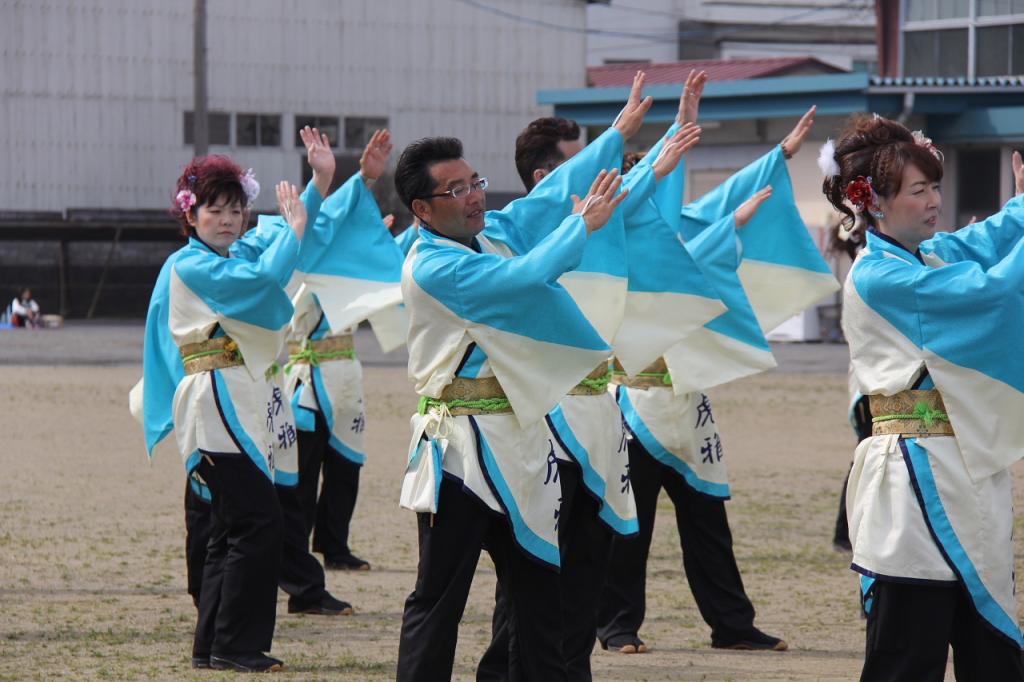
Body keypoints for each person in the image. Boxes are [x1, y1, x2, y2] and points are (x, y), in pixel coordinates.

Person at [477, 72, 704, 682]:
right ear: (546, 179)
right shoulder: (512, 230)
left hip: (599, 410)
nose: (601, 176)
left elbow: (630, 191)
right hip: (546, 413)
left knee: (587, 553)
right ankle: (509, 669)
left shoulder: (596, 223)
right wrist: (621, 136)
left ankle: (569, 667)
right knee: (534, 558)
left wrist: (667, 141)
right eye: (584, 165)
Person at [599, 72, 834, 655]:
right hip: (633, 402)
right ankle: (617, 623)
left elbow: (720, 205)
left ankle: (732, 624)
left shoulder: (676, 234)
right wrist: (729, 223)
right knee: (631, 525)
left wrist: (778, 155)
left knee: (709, 523)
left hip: (688, 397)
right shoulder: (610, 243)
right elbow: (710, 232)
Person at [393, 134, 628, 682]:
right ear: (423, 209)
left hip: (517, 442)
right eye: (457, 189)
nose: (476, 196)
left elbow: (546, 199)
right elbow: (523, 278)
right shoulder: (432, 265)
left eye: (475, 182)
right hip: (458, 450)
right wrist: (582, 226)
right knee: (440, 596)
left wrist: (619, 137)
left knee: (539, 592)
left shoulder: (488, 235)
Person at [826, 114, 1024, 681]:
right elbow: (990, 292)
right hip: (911, 483)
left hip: (966, 471)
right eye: (920, 190)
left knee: (993, 646)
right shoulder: (879, 275)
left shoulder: (925, 256)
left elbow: (983, 241)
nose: (935, 200)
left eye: (936, 186)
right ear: (874, 201)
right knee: (909, 651)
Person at [131, 149, 323, 672]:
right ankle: (235, 644)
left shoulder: (225, 257)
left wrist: (318, 182)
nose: (228, 219)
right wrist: (298, 229)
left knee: (231, 528)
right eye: (214, 209)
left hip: (236, 398)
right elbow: (265, 281)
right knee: (257, 523)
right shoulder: (193, 264)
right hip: (217, 400)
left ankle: (212, 643)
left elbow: (277, 243)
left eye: (236, 210)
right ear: (189, 215)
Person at [284, 129, 405, 572]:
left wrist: (381, 242)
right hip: (307, 378)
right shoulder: (296, 257)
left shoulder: (345, 264)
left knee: (346, 466)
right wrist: (360, 180)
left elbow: (386, 268)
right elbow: (329, 224)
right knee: (302, 469)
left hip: (345, 375)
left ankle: (335, 545)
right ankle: (294, 550)